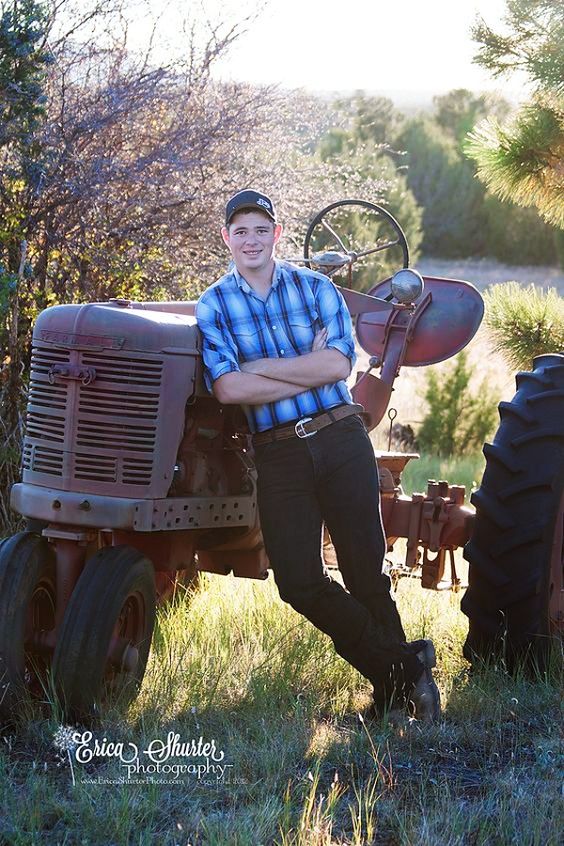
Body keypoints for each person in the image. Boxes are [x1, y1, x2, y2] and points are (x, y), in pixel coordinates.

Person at [195, 189, 440, 721]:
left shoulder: (315, 288)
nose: (252, 240)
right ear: (227, 238)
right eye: (241, 231)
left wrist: (258, 368)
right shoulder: (214, 304)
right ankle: (408, 667)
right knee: (298, 581)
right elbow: (228, 389)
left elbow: (336, 366)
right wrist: (301, 366)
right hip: (278, 451)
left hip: (339, 438)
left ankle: (396, 695)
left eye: (262, 230)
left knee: (365, 574)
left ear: (277, 234)